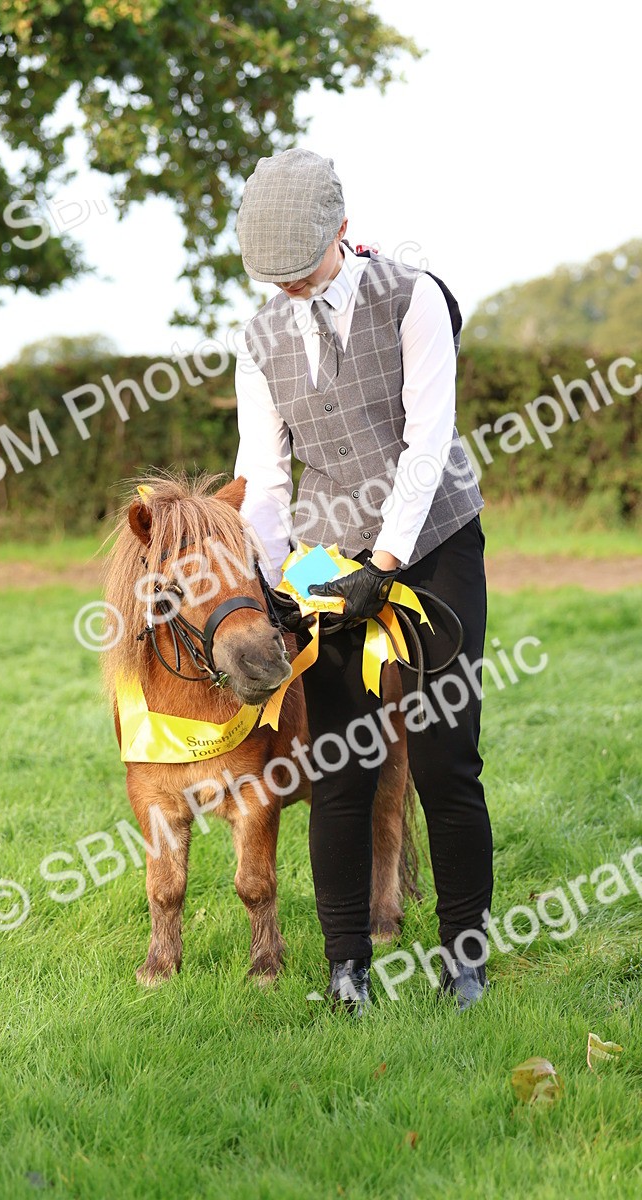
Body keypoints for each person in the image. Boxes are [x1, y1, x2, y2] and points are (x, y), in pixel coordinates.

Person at [232, 148, 493, 1015]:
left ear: (342, 230)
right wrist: (278, 584)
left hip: (434, 543)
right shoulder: (258, 337)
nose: (290, 288)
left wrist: (385, 567)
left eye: (302, 270)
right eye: (274, 276)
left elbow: (427, 442)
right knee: (341, 765)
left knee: (446, 759)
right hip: (328, 557)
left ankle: (465, 960)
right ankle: (347, 969)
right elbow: (266, 476)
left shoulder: (413, 298)